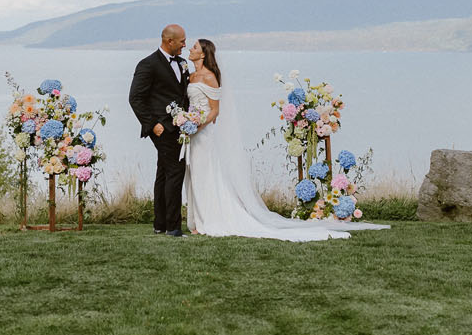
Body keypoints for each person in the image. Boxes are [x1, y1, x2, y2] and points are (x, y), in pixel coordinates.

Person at [180, 38, 389, 241]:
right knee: (195, 175)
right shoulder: (191, 75)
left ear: (203, 54)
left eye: (195, 47)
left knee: (206, 175)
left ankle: (211, 219)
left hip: (203, 134)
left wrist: (196, 126)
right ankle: (198, 220)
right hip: (193, 133)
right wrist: (187, 121)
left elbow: (214, 111)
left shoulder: (209, 77)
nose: (190, 48)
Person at [128, 23, 191, 236]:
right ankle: (173, 227)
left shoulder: (182, 63)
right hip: (162, 128)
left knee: (164, 172)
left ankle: (160, 224)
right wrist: (152, 124)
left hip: (180, 127)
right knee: (175, 172)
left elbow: (183, 95)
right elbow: (135, 98)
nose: (185, 45)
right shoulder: (148, 64)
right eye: (182, 41)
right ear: (169, 41)